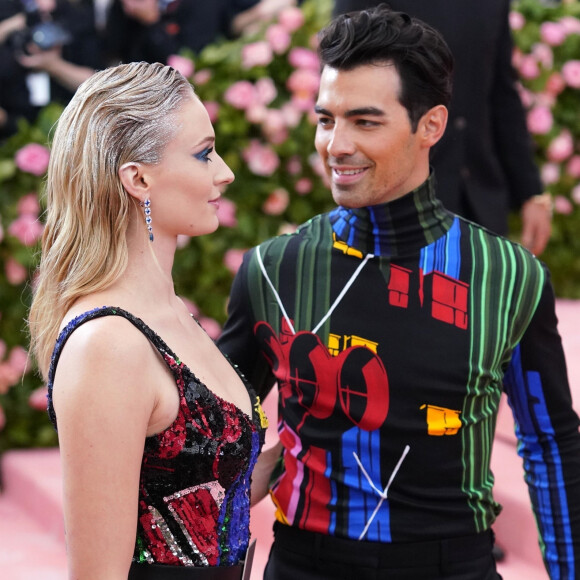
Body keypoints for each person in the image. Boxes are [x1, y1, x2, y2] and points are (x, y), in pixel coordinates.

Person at [217, 5, 580, 579]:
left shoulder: (507, 277)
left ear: (430, 126)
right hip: (306, 566)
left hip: (452, 566)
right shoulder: (274, 270)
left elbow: (551, 446)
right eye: (325, 119)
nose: (336, 145)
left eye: (365, 122)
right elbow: (213, 436)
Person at [28, 61, 267, 579]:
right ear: (137, 178)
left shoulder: (164, 313)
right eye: (204, 153)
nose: (224, 171)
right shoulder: (107, 344)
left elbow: (196, 486)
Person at [331, 0, 552, 257]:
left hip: (479, 201)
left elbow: (502, 96)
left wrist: (531, 194)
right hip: (395, 209)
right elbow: (343, 91)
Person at [0, 0, 101, 139]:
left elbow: (98, 82)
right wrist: (14, 24)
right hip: (14, 127)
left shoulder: (76, 17)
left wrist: (52, 64)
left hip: (70, 121)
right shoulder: (8, 10)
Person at [102, 0, 262, 66]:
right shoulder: (123, 8)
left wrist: (152, 21)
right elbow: (112, 51)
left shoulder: (202, 5)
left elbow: (188, 61)